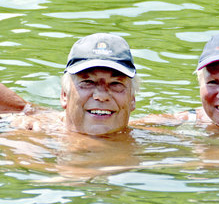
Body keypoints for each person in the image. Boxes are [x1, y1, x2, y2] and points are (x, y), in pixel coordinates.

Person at [7, 32, 138, 136]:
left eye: (115, 83)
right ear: (64, 95)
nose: (101, 95)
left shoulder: (149, 137)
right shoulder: (30, 138)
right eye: (88, 82)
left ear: (132, 99)